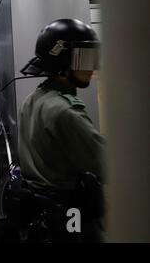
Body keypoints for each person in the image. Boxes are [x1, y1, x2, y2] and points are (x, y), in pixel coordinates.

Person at [18, 18, 106, 241]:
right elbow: (105, 163)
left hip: (41, 212)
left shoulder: (32, 100)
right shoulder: (65, 111)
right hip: (68, 213)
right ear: (62, 63)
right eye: (84, 58)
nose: (91, 67)